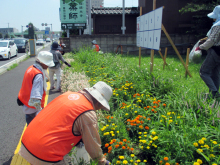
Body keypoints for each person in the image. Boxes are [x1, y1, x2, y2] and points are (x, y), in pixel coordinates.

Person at [18, 81, 112, 165]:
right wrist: (103, 162)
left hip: (27, 141)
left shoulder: (68, 95)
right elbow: (93, 145)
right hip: (43, 153)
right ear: (99, 103)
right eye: (102, 107)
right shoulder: (87, 113)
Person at [17, 51, 55, 125]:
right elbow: (36, 95)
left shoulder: (31, 68)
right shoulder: (38, 75)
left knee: (29, 124)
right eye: (47, 64)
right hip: (33, 109)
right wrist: (40, 110)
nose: (48, 66)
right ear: (42, 63)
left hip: (26, 104)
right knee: (34, 128)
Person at [195, 5, 220, 99]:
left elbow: (212, 40)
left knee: (203, 72)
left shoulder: (218, 25)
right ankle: (215, 95)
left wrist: (200, 47)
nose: (213, 18)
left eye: (215, 15)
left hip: (215, 51)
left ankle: (214, 92)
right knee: (215, 73)